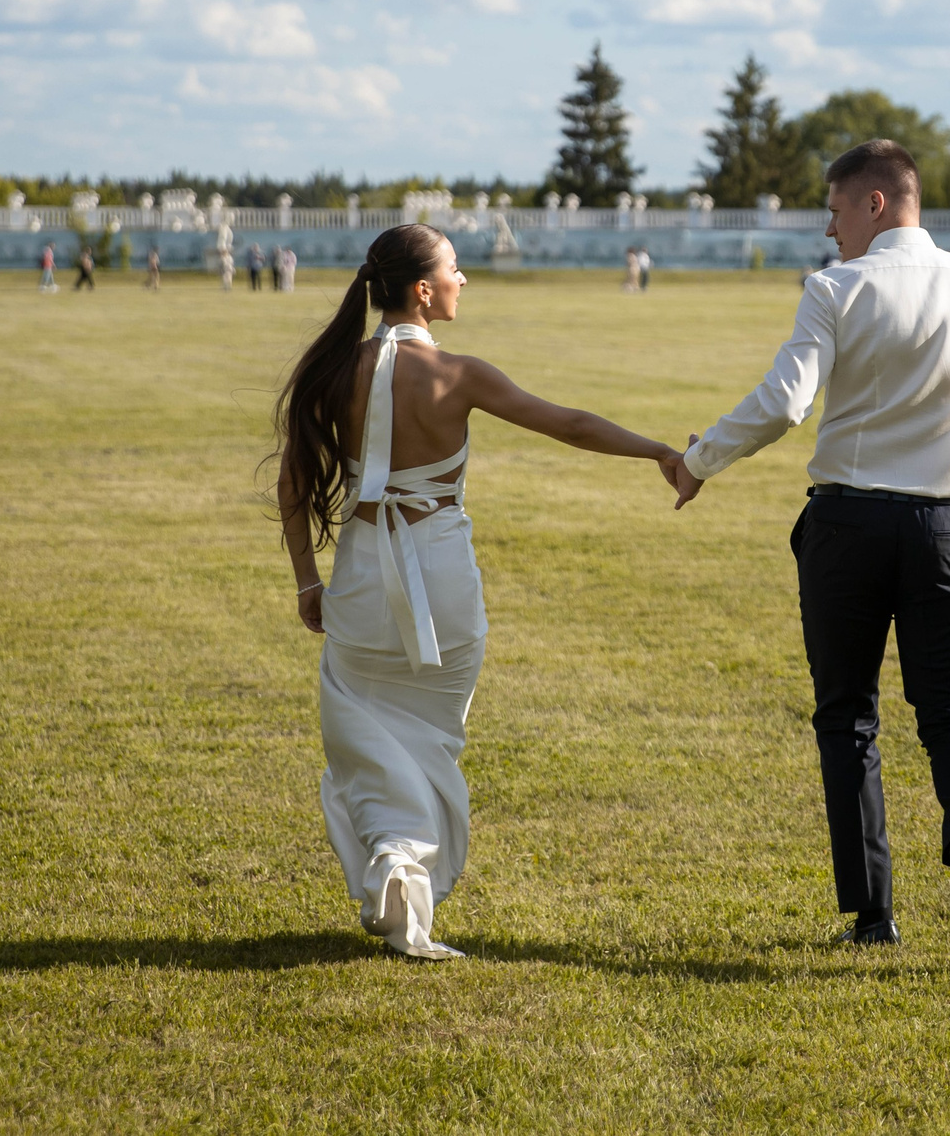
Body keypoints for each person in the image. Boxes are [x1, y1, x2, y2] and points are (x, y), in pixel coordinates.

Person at [666, 140, 950, 970]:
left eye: (836, 209)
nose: (830, 228)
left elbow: (786, 402)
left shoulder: (837, 287)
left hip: (847, 525)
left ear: (875, 203)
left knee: (847, 716)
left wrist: (700, 460)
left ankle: (875, 913)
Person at [278, 224, 683, 959]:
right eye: (455, 269)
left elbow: (293, 481)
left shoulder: (335, 367)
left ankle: (395, 853)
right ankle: (405, 860)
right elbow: (570, 424)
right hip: (442, 578)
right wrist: (656, 450)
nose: (464, 280)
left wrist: (309, 579)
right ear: (423, 290)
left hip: (360, 574)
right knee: (432, 738)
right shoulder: (457, 375)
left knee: (362, 735)